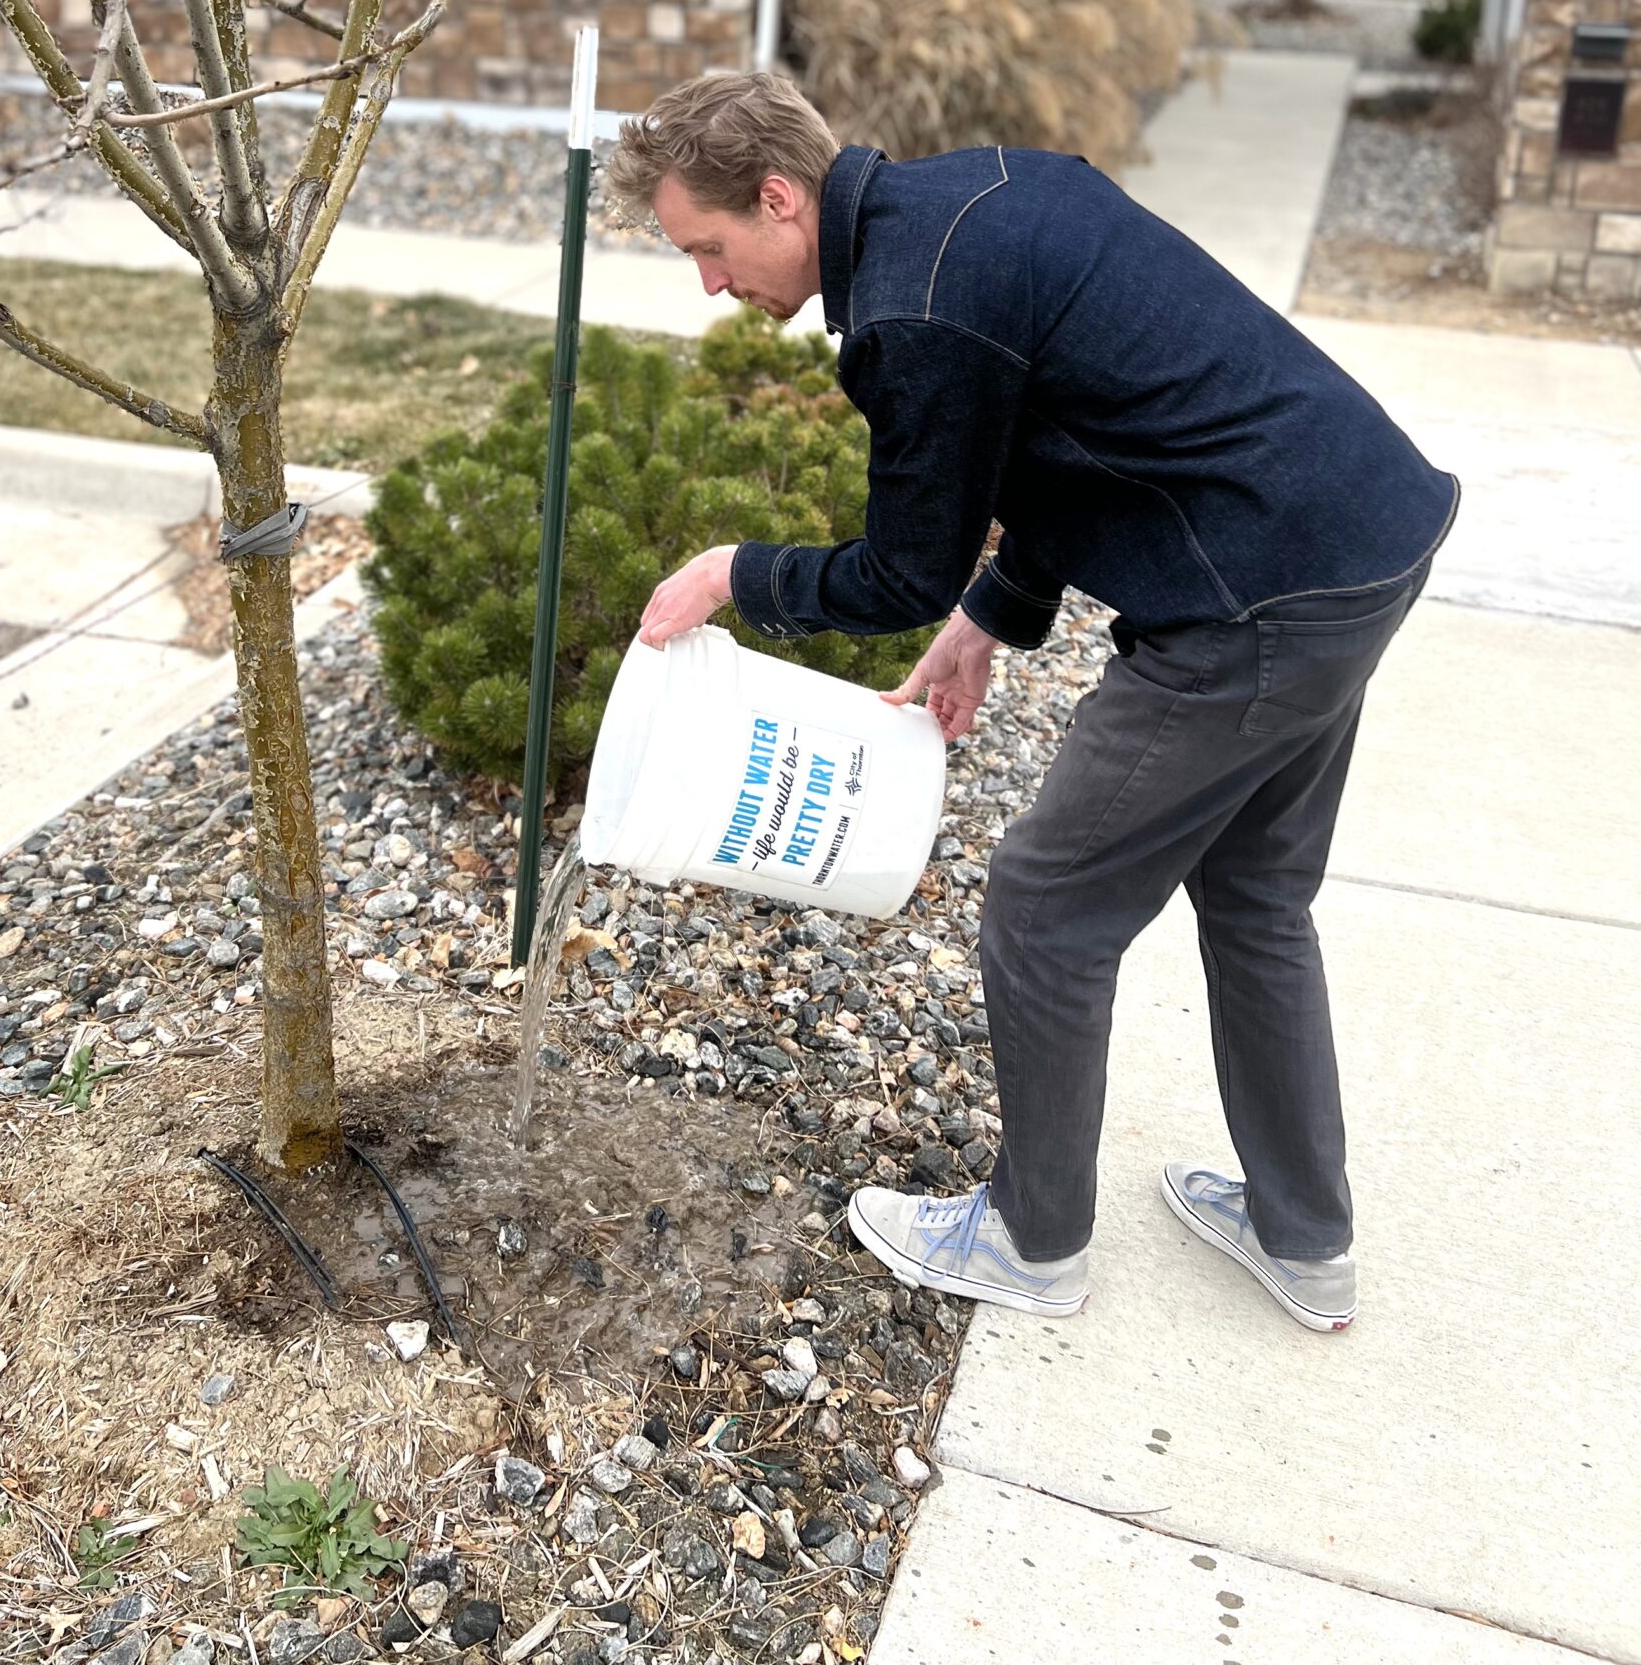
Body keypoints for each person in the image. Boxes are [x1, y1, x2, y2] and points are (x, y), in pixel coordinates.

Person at [606, 71, 1458, 1333]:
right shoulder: (986, 194)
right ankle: (1304, 1236)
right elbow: (1093, 427)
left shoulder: (913, 309)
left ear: (779, 198)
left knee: (1046, 910)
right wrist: (993, 614)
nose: (712, 284)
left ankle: (1034, 1238)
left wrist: (738, 572)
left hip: (1255, 603)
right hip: (1361, 529)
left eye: (709, 248)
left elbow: (899, 566)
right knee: (1258, 895)